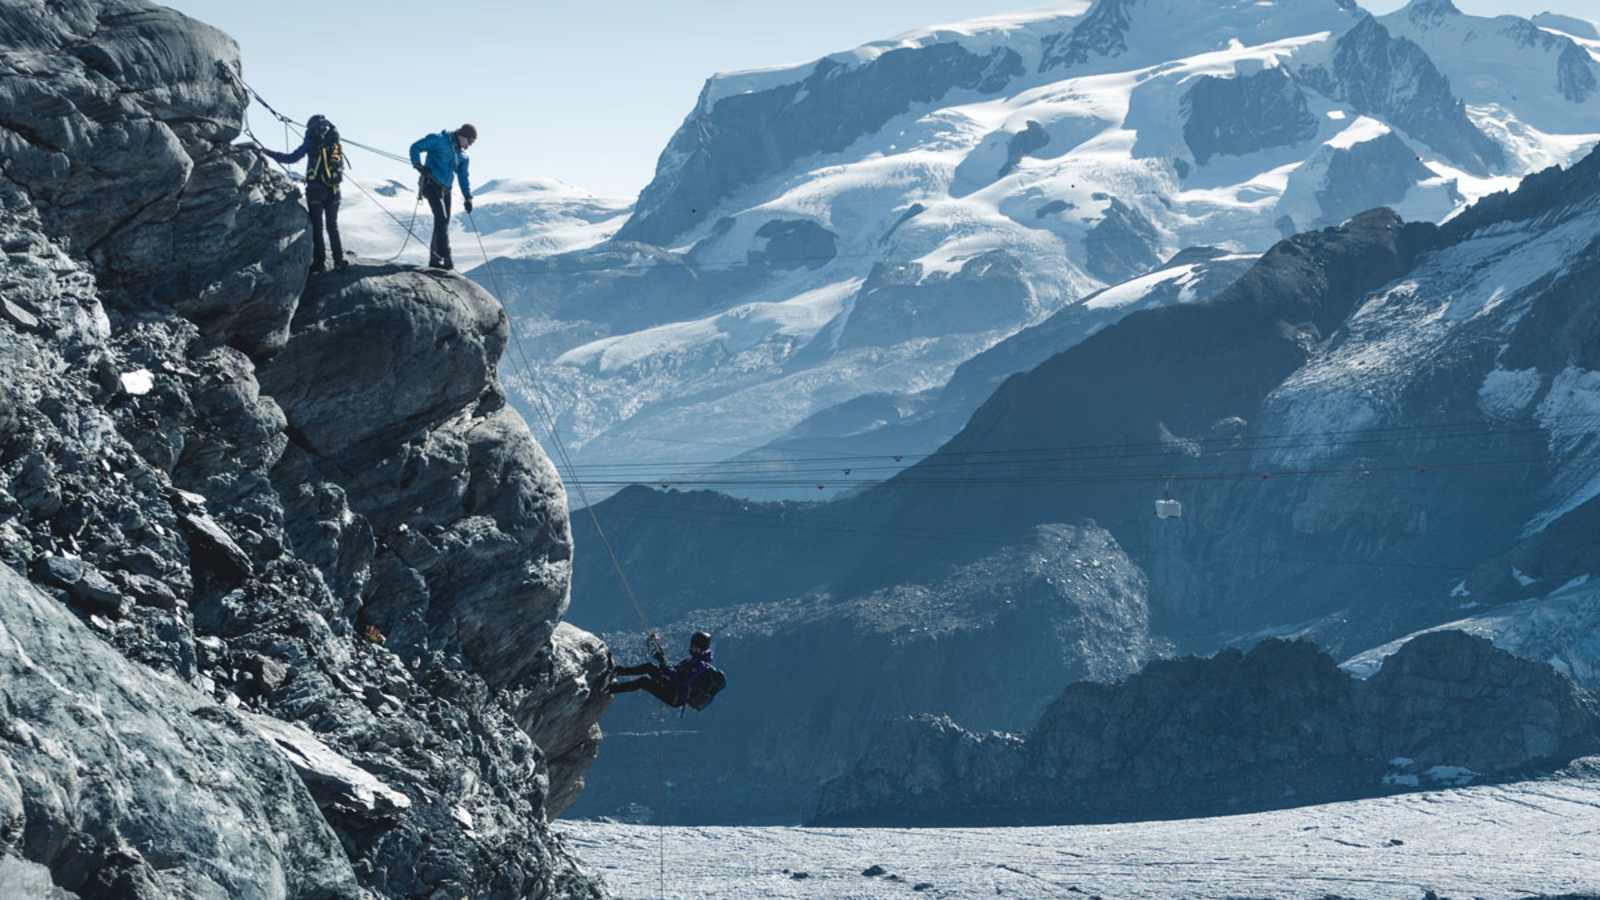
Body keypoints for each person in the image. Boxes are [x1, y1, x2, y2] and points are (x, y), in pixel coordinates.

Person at [260, 115, 347, 274]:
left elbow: (292, 158)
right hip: (334, 190)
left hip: (316, 191)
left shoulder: (312, 140)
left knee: (317, 228)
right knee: (332, 226)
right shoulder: (334, 140)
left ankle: (319, 264)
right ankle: (339, 261)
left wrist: (269, 153)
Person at [408, 123, 476, 270]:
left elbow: (463, 177)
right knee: (441, 218)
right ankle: (446, 255)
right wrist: (418, 165)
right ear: (462, 135)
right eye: (469, 142)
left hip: (446, 190)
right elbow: (415, 147)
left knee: (443, 222)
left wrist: (468, 197)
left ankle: (434, 258)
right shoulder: (439, 140)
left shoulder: (463, 156)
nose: (469, 146)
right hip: (430, 184)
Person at [609, 631, 724, 710]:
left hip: (675, 696)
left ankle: (610, 689)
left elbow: (680, 679)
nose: (691, 647)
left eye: (693, 646)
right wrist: (663, 660)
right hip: (673, 687)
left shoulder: (700, 666)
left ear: (699, 647)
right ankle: (617, 671)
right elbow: (676, 671)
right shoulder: (695, 660)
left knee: (644, 682)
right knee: (649, 667)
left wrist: (663, 663)